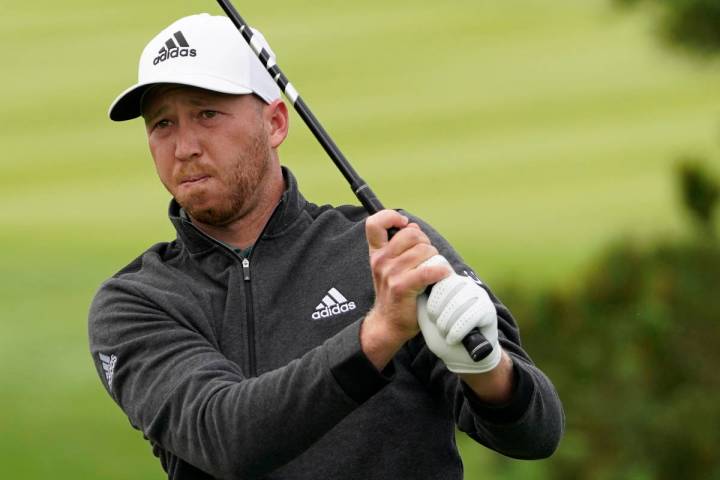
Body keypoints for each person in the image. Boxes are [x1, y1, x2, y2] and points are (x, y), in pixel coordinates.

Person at [89, 13, 564, 480]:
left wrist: (485, 369)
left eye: (207, 113)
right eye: (162, 124)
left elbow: (535, 434)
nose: (184, 146)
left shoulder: (383, 251)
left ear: (275, 123)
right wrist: (377, 335)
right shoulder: (137, 301)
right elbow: (226, 437)